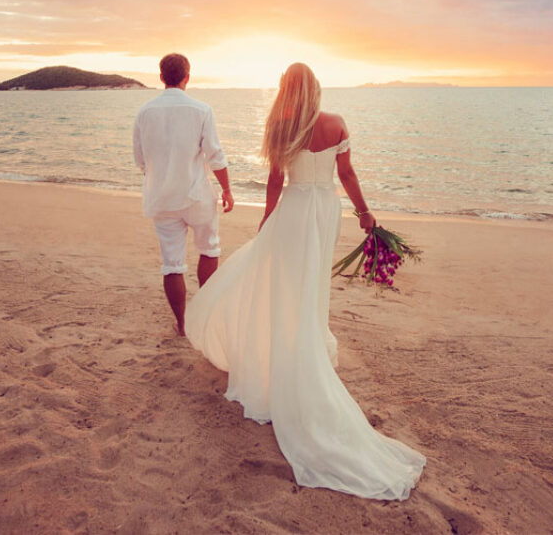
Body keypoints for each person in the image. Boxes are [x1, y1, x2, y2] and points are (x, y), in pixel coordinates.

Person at [186, 62, 425, 499]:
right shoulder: (335, 124)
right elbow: (347, 175)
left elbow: (276, 182)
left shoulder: (280, 125)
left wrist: (266, 222)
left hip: (293, 212)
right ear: (314, 88)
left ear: (285, 90)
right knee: (312, 284)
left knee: (285, 284)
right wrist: (365, 213)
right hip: (323, 212)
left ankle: (289, 347)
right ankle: (306, 343)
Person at [133, 53, 234, 336]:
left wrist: (161, 177)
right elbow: (215, 155)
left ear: (162, 77)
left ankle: (182, 323)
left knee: (172, 264)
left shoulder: (145, 112)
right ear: (187, 76)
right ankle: (207, 316)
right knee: (209, 249)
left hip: (162, 198)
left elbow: (140, 160)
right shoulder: (201, 110)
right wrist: (226, 189)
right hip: (197, 195)